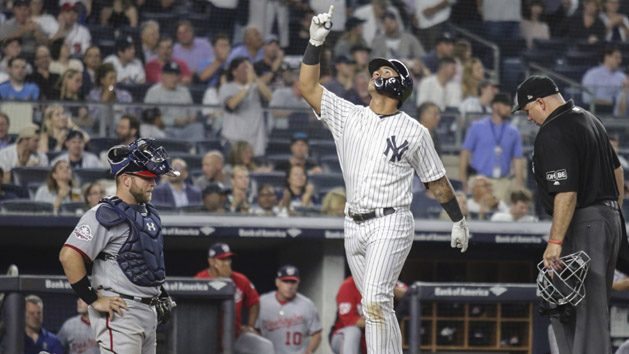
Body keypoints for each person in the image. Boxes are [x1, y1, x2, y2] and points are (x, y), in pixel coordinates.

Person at [299, 7, 470, 353]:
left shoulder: (415, 130)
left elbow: (436, 182)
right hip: (353, 223)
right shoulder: (349, 114)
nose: (376, 72)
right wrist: (315, 43)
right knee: (378, 306)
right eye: (375, 69)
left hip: (391, 221)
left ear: (400, 84)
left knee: (375, 301)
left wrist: (458, 219)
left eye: (385, 70)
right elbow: (307, 85)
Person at [512, 75, 624, 354]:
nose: (528, 118)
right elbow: (617, 173)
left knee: (585, 310)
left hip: (583, 221)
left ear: (540, 102)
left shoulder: (554, 129)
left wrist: (555, 242)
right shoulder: (590, 120)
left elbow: (567, 192)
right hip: (607, 219)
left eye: (527, 111)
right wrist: (610, 215)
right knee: (577, 306)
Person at [59, 137, 178, 354]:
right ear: (126, 179)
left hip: (147, 311)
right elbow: (69, 256)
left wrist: (160, 292)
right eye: (147, 178)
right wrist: (93, 300)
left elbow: (143, 260)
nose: (153, 183)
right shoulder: (103, 214)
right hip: (121, 311)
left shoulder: (148, 213)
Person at [194, 242, 274, 354]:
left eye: (228, 259)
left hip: (234, 336)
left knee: (264, 347)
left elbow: (254, 301)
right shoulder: (200, 280)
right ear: (211, 262)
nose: (227, 263)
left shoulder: (240, 279)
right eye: (222, 260)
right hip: (206, 337)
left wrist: (250, 326)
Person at [459, 92, 524, 201]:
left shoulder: (513, 132)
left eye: (510, 106)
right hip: (479, 180)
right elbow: (465, 153)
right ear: (495, 106)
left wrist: (519, 184)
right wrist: (462, 178)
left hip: (502, 182)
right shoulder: (477, 127)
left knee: (501, 214)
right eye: (505, 105)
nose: (509, 109)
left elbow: (517, 159)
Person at [329, 276, 408, 354]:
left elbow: (409, 293)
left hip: (372, 338)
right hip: (344, 337)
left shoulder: (385, 283)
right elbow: (350, 320)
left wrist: (385, 289)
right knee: (353, 332)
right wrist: (380, 322)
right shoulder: (349, 284)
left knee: (388, 333)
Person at [256, 265, 322, 354]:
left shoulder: (307, 304)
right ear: (277, 282)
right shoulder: (262, 302)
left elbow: (317, 333)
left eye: (293, 282)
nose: (289, 286)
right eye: (285, 281)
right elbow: (255, 330)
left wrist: (309, 351)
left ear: (298, 283)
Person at [219, 57, 272, 157]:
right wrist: (248, 85)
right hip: (233, 141)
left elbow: (269, 97)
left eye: (249, 68)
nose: (248, 71)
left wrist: (255, 77)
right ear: (234, 72)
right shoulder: (226, 87)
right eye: (244, 68)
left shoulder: (256, 87)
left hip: (255, 141)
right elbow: (231, 105)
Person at [144, 61, 199, 140]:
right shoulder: (154, 91)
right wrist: (174, 121)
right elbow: (149, 117)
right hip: (163, 129)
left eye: (176, 75)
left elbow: (194, 115)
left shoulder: (184, 91)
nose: (174, 79)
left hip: (184, 129)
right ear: (162, 76)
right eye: (170, 75)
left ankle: (197, 151)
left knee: (197, 127)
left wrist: (190, 120)